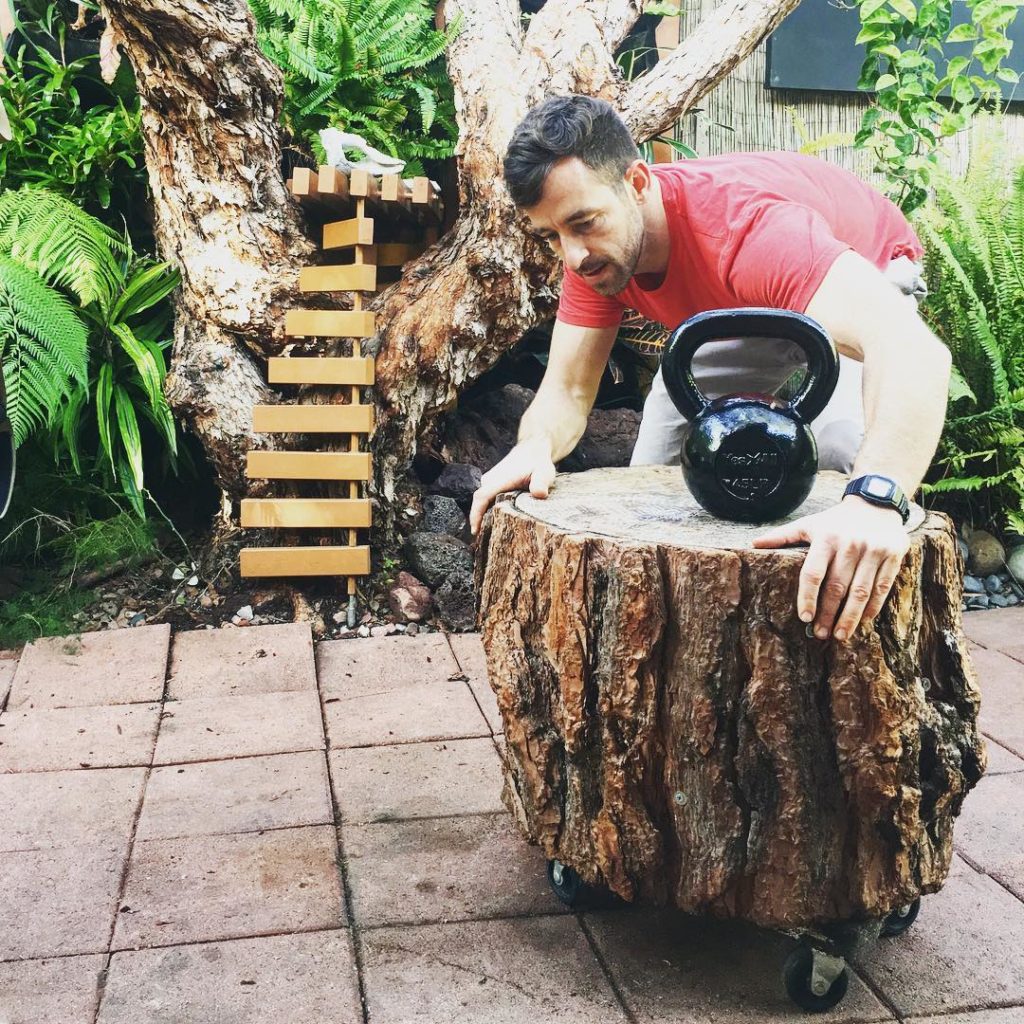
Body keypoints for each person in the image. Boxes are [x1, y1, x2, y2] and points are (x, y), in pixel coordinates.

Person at [468, 94, 952, 642]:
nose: (573, 256)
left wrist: (876, 498)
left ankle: (841, 629)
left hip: (857, 266)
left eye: (584, 223)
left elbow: (912, 349)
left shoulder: (747, 231)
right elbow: (567, 390)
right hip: (733, 302)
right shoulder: (592, 260)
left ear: (639, 183)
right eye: (551, 236)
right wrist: (535, 446)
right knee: (648, 487)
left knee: (844, 456)